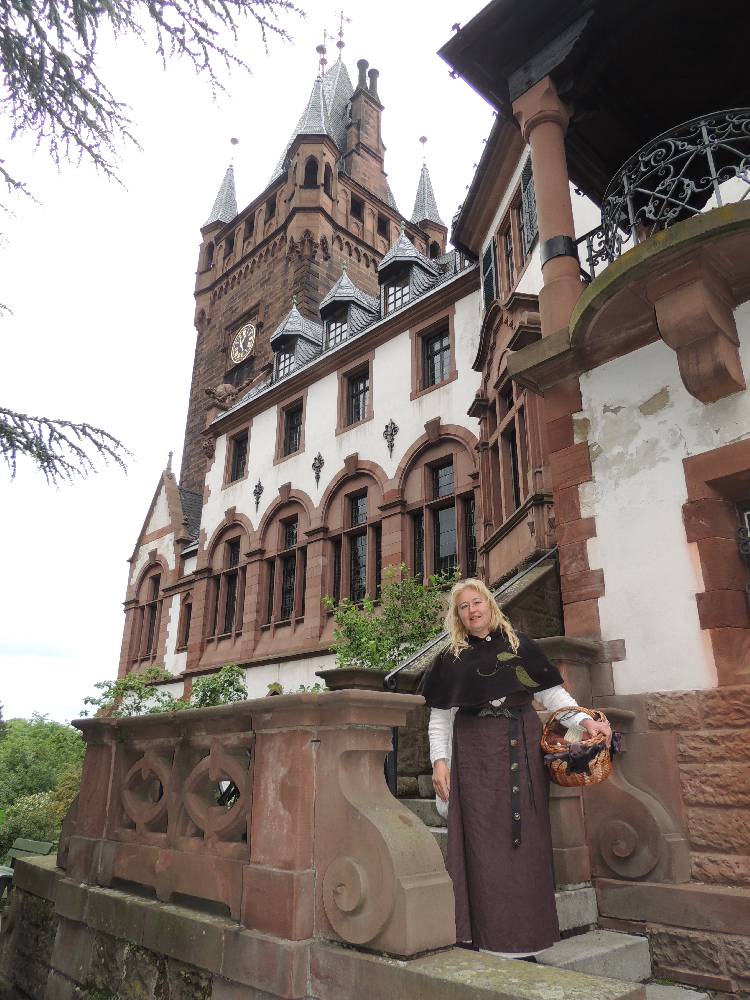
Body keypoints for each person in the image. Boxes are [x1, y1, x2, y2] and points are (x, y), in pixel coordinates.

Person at [418, 577, 611, 961]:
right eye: (463, 606)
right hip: (474, 758)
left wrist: (586, 721)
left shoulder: (519, 646)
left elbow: (553, 696)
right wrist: (440, 763)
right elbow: (439, 718)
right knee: (482, 844)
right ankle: (485, 939)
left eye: (477, 602)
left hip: (520, 750)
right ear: (457, 615)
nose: (472, 610)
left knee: (526, 843)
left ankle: (526, 941)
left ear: (489, 604)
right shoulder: (450, 659)